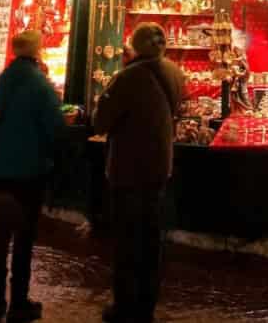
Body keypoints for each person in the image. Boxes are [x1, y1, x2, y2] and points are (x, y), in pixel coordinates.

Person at [94, 22, 184, 320]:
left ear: (135, 44)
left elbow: (101, 121)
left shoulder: (128, 77)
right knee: (151, 238)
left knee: (128, 240)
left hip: (130, 168)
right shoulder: (173, 71)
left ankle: (125, 307)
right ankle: (147, 304)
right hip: (160, 165)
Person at [0, 30, 63, 323]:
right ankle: (18, 301)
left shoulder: (6, 78)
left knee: (0, 234)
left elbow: (1, 110)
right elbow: (54, 126)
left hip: (2, 164)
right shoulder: (39, 84)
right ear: (37, 50)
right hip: (30, 168)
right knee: (24, 237)